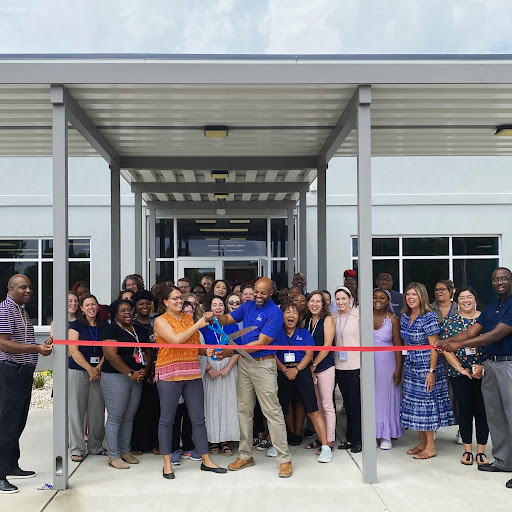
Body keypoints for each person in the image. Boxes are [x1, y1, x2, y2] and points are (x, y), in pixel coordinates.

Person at [437, 268, 512, 489]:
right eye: (496, 279)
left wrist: (458, 345)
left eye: (504, 278)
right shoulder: (491, 308)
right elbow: (472, 332)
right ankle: (503, 461)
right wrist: (446, 341)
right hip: (491, 364)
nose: (500, 282)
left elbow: (495, 334)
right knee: (496, 417)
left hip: (508, 364)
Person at [216, 277, 293, 478]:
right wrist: (214, 317)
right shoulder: (248, 306)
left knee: (272, 412)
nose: (258, 296)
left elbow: (261, 342)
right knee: (244, 410)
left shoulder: (275, 313)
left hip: (263, 365)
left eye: (263, 293)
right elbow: (228, 319)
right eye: (256, 292)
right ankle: (245, 455)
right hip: (245, 363)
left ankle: (284, 459)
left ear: (271, 293)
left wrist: (231, 350)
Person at [153, 286, 227, 479]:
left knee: (198, 418)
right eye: (175, 298)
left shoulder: (187, 319)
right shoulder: (160, 321)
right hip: (170, 373)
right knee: (167, 419)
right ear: (165, 302)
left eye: (180, 298)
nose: (179, 301)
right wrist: (199, 324)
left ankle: (206, 460)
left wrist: (206, 351)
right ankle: (167, 463)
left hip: (192, 372)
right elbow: (176, 340)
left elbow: (193, 345)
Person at [400, 282, 469, 460]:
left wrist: (431, 371)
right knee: (414, 406)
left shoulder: (428, 316)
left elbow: (434, 346)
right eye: (408, 294)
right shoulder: (405, 316)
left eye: (414, 294)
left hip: (427, 367)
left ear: (421, 296)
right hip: (411, 366)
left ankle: (430, 447)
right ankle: (422, 443)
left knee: (426, 407)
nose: (411, 298)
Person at [0, 275, 53, 494]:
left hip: (23, 373)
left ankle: (12, 465)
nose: (28, 291)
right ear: (11, 289)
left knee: (18, 421)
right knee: (6, 424)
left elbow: (24, 342)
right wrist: (36, 349)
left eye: (30, 287)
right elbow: (4, 343)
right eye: (23, 287)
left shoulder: (21, 310)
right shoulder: (5, 309)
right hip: (10, 372)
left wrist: (41, 345)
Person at [438, 286, 489, 466]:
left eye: (469, 297)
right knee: (465, 410)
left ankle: (481, 451)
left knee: (482, 412)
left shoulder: (486, 319)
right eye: (461, 297)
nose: (466, 300)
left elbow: (493, 343)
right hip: (459, 373)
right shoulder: (450, 321)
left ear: (475, 299)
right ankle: (467, 450)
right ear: (456, 301)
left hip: (484, 371)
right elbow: (444, 347)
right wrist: (461, 369)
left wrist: (482, 366)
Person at [276, 302, 332, 463]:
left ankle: (326, 447)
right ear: (282, 316)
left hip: (302, 371)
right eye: (287, 312)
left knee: (313, 410)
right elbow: (272, 354)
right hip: (283, 372)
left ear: (299, 317)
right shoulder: (277, 334)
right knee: (280, 409)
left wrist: (297, 369)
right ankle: (278, 444)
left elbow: (309, 354)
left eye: (294, 313)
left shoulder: (304, 333)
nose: (291, 315)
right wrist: (284, 369)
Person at [100, 299, 152, 469]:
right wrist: (130, 372)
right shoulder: (110, 329)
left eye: (130, 309)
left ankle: (125, 451)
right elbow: (110, 356)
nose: (128, 313)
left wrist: (144, 369)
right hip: (116, 376)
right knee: (116, 417)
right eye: (123, 310)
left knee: (129, 416)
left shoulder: (139, 329)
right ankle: (113, 455)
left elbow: (146, 350)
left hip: (137, 377)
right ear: (115, 313)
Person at [68, 294, 107, 462]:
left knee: (97, 410)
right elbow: (73, 351)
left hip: (98, 372)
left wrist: (97, 368)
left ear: (97, 307)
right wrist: (90, 368)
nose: (91, 307)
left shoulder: (104, 326)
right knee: (76, 410)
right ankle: (77, 448)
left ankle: (95, 446)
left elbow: (108, 350)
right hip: (79, 371)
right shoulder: (75, 326)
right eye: (87, 305)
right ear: (82, 309)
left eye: (94, 304)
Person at [200, 295, 240, 456]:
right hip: (210, 366)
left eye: (220, 305)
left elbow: (239, 349)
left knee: (228, 404)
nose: (218, 308)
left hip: (228, 367)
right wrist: (210, 369)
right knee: (210, 404)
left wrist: (228, 368)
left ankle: (225, 440)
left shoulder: (232, 325)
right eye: (214, 305)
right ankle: (213, 440)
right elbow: (200, 350)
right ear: (209, 308)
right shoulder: (203, 326)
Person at [305, 291, 336, 453]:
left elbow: (327, 345)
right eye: (312, 301)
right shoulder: (307, 321)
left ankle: (329, 441)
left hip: (324, 367)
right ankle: (321, 437)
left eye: (318, 301)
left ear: (323, 305)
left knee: (327, 404)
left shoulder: (327, 320)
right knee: (317, 406)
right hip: (311, 368)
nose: (315, 304)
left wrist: (314, 364)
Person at [332, 286, 362, 453]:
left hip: (356, 365)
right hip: (339, 364)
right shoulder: (333, 317)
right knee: (347, 404)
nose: (340, 302)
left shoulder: (359, 316)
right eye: (338, 299)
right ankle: (350, 439)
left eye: (344, 298)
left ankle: (358, 440)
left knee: (355, 403)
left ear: (350, 299)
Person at [373, 288, 403, 450]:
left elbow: (398, 346)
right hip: (368, 364)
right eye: (375, 297)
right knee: (370, 399)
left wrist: (398, 369)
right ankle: (371, 433)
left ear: (388, 301)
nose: (378, 300)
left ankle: (386, 435)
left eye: (382, 298)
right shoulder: (363, 317)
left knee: (386, 399)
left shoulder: (393, 319)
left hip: (387, 364)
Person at [130, 290, 160, 456]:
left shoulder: (157, 321)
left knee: (157, 408)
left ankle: (156, 443)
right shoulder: (132, 323)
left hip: (158, 367)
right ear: (135, 306)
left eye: (147, 303)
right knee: (139, 408)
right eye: (141, 304)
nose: (145, 307)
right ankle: (139, 443)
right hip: (138, 371)